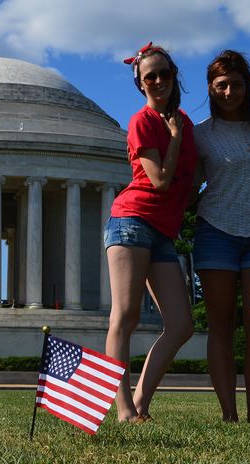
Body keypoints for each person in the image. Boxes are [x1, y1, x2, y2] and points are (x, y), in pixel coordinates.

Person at [104, 42, 197, 422]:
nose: (158, 81)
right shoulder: (142, 121)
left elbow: (190, 181)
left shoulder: (186, 123)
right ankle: (124, 409)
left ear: (175, 77)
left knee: (181, 325)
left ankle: (141, 401)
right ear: (141, 84)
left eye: (164, 74)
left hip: (163, 231)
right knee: (124, 316)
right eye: (150, 77)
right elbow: (159, 180)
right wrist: (173, 136)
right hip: (132, 220)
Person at [193, 50, 250, 422]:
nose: (229, 91)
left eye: (236, 84)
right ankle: (229, 414)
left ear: (248, 87)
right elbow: (187, 181)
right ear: (212, 89)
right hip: (216, 231)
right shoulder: (200, 134)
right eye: (221, 85)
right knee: (221, 324)